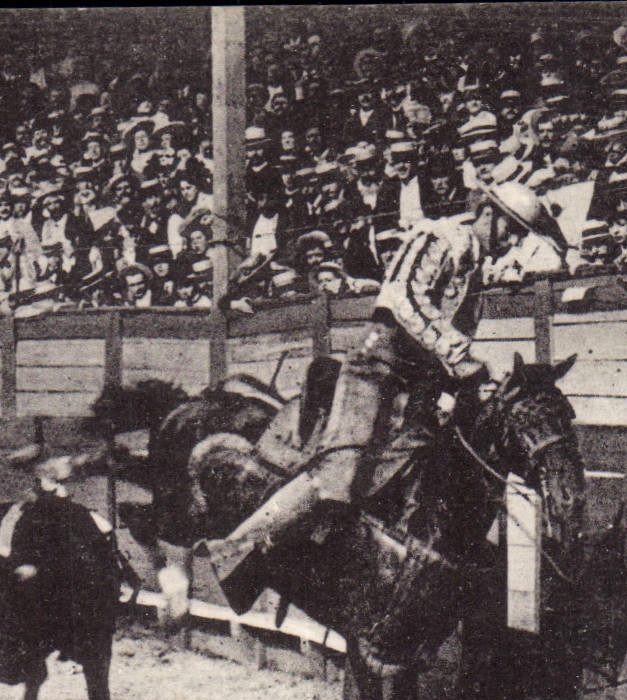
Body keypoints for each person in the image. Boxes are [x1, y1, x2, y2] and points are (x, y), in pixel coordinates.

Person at [202, 181, 568, 610]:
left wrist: (467, 376)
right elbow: (403, 298)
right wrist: (461, 355)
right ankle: (236, 551)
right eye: (512, 229)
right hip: (379, 367)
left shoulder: (476, 265)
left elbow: (456, 331)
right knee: (341, 472)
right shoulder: (440, 236)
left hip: (425, 382)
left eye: (521, 234)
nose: (513, 241)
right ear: (489, 213)